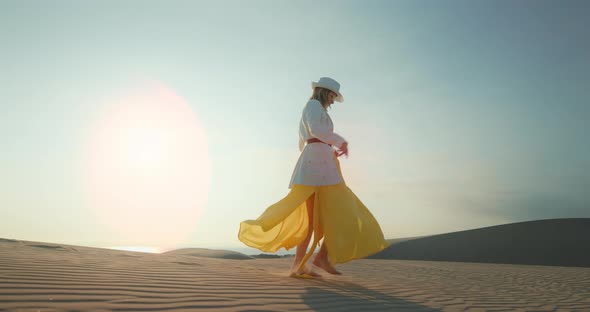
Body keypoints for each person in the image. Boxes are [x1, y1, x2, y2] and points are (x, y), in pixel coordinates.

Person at [238, 77, 389, 278]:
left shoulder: (318, 109)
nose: (334, 101)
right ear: (327, 93)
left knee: (340, 215)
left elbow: (309, 140)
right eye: (333, 96)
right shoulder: (313, 105)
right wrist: (338, 142)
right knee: (330, 217)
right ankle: (302, 265)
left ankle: (314, 261)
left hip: (321, 165)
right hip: (314, 168)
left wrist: (328, 150)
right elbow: (314, 132)